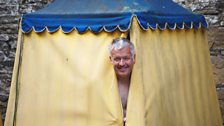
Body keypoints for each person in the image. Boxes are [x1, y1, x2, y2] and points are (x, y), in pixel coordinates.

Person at [108, 38, 136, 125]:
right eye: (117, 59)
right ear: (110, 60)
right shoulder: (105, 84)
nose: (121, 63)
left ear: (134, 58)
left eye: (126, 58)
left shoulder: (142, 82)